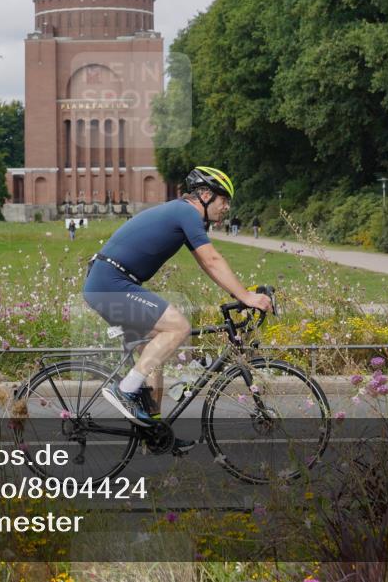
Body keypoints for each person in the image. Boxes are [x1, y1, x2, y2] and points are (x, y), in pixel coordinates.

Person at [82, 166, 273, 452]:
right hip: (111, 282)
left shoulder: (182, 216)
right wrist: (246, 296)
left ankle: (155, 433)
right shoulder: (187, 212)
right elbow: (212, 260)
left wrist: (239, 293)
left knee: (152, 357)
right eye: (224, 200)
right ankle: (123, 392)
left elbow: (207, 264)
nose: (227, 207)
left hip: (109, 281)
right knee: (178, 327)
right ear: (205, 195)